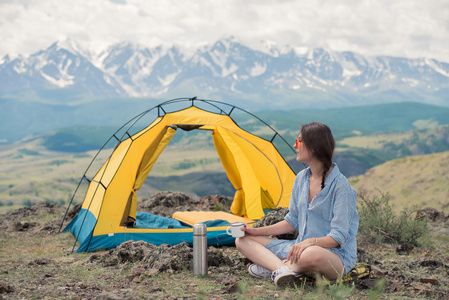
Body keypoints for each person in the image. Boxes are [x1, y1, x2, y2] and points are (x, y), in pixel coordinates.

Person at [235, 121, 359, 287]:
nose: (295, 146)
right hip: (297, 248)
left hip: (333, 256)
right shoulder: (301, 178)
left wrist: (308, 242)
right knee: (242, 240)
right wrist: (255, 231)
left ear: (314, 146)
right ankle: (283, 269)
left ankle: (276, 266)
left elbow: (338, 237)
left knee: (310, 255)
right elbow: (291, 221)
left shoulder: (342, 188)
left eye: (299, 141)